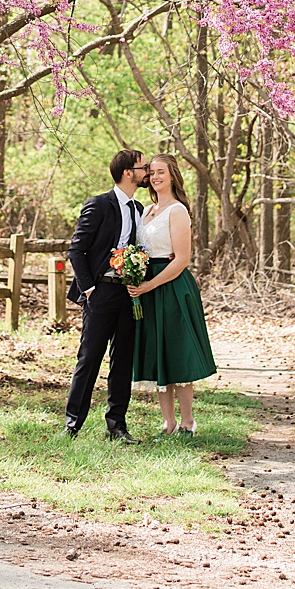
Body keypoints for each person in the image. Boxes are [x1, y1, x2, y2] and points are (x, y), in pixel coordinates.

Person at [126, 154, 217, 435]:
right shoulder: (146, 210)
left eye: (161, 172)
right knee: (157, 351)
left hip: (172, 285)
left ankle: (188, 422)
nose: (155, 177)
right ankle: (168, 423)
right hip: (147, 286)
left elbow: (181, 260)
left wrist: (150, 285)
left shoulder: (178, 211)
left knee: (177, 351)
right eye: (151, 172)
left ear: (173, 175)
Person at [62, 149, 148, 441]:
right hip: (100, 293)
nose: (146, 171)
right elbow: (77, 249)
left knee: (123, 360)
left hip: (129, 295)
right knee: (89, 358)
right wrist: (89, 289)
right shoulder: (98, 204)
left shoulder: (139, 210)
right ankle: (72, 425)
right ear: (128, 173)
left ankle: (117, 426)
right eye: (143, 167)